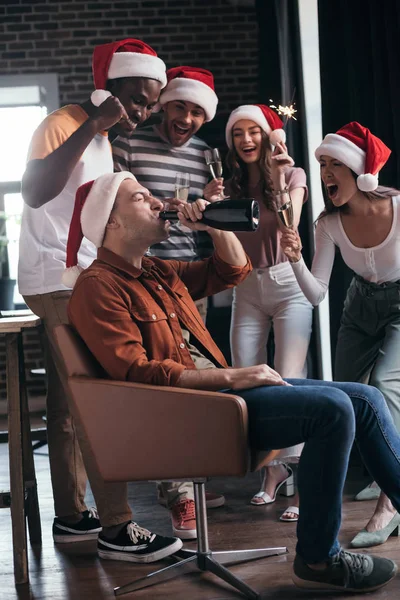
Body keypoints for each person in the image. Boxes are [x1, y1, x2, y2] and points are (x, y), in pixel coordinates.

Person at [64, 171, 400, 593]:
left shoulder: (154, 271)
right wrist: (237, 375)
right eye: (140, 198)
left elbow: (233, 269)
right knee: (331, 409)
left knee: (366, 398)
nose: (157, 202)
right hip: (189, 413)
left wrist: (211, 225)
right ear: (110, 222)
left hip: (219, 398)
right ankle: (319, 559)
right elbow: (137, 373)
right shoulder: (97, 287)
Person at [18, 39, 181, 562]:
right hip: (56, 277)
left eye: (151, 103)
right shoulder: (64, 125)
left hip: (73, 275)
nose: (144, 112)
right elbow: (35, 191)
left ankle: (72, 516)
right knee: (95, 396)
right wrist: (92, 123)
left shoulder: (102, 139)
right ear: (107, 89)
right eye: (137, 99)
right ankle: (118, 526)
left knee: (69, 405)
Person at [112, 66, 224, 537]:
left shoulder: (203, 155)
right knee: (162, 385)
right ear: (165, 105)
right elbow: (113, 199)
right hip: (139, 275)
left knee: (194, 387)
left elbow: (207, 219)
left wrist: (212, 206)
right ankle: (178, 494)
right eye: (180, 106)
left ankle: (191, 479)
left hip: (186, 282)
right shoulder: (131, 143)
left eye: (198, 111)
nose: (187, 117)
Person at [280, 121, 400, 549]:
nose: (326, 173)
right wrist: (294, 259)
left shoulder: (398, 208)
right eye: (323, 165)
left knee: (385, 386)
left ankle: (389, 504)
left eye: (335, 164)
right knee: (346, 397)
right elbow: (316, 295)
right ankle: (384, 470)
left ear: (360, 171)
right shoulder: (328, 223)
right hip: (359, 308)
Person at [204, 104, 312, 522]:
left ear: (268, 135)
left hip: (288, 284)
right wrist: (211, 207)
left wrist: (283, 176)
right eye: (237, 134)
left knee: (289, 382)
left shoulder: (294, 174)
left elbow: (292, 227)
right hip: (246, 287)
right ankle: (272, 470)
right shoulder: (227, 184)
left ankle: (300, 485)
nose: (246, 140)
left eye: (254, 132)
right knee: (246, 378)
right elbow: (223, 244)